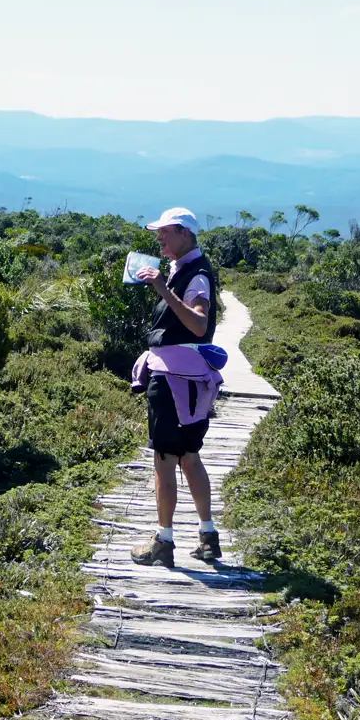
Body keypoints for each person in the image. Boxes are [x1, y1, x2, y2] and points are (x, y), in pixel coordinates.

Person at [129, 207, 221, 569]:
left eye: (165, 233)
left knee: (165, 460)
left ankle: (163, 541)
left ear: (184, 233)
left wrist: (162, 289)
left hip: (173, 382)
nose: (160, 239)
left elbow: (198, 324)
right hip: (193, 382)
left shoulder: (195, 276)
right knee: (190, 457)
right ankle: (208, 537)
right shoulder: (187, 270)